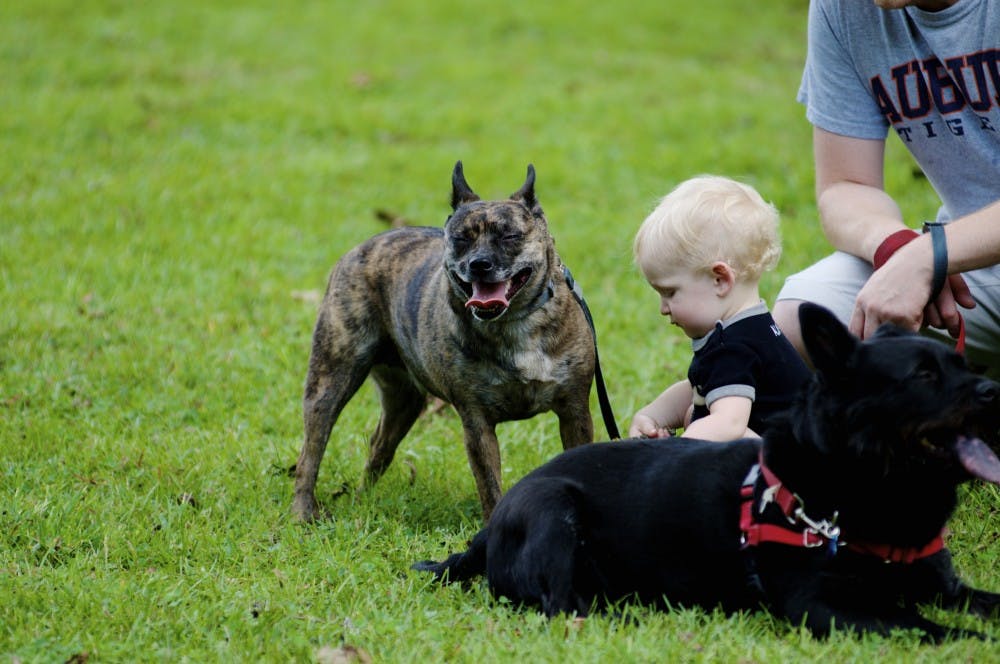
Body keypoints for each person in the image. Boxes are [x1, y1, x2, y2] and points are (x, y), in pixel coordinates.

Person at [773, 0, 1000, 375]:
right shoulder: (843, 9)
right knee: (805, 313)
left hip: (950, 252)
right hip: (971, 272)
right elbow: (846, 185)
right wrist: (899, 250)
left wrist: (930, 256)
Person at [629, 176, 811, 441]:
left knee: (716, 426)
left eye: (670, 292)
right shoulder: (752, 327)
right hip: (807, 453)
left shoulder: (733, 348)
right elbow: (699, 389)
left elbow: (729, 425)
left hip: (795, 473)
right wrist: (651, 417)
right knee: (698, 411)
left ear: (720, 280)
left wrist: (672, 455)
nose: (663, 308)